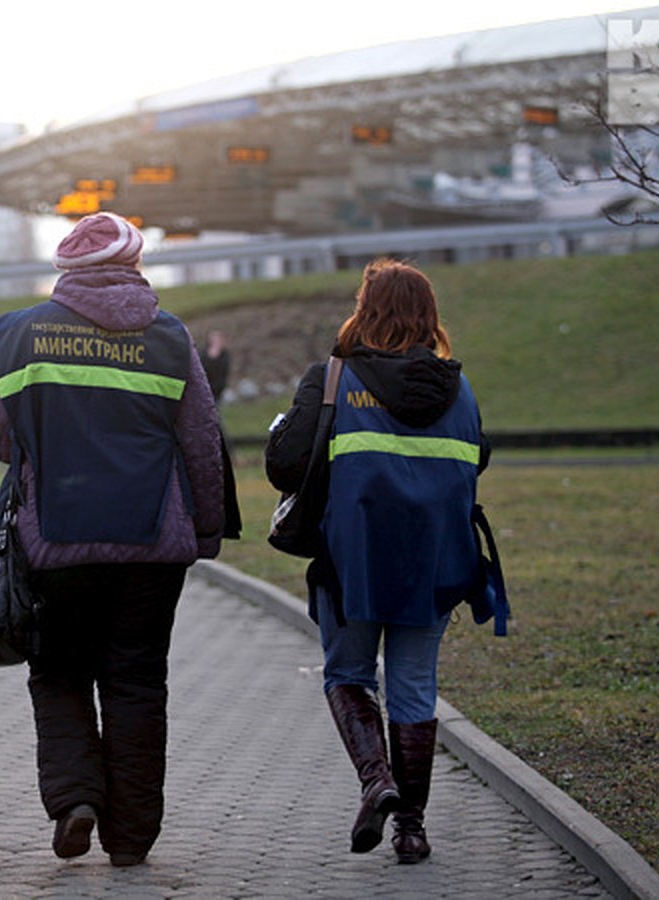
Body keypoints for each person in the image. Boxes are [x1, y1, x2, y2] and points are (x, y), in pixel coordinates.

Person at [0, 212, 228, 867]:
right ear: (134, 265)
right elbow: (201, 439)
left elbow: (2, 434)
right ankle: (133, 838)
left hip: (55, 541)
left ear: (67, 269)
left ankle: (75, 801)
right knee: (137, 683)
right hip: (152, 545)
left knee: (59, 672)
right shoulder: (169, 337)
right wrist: (203, 530)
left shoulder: (20, 335)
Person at [264, 258, 490, 864]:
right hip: (436, 565)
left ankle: (376, 780)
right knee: (415, 686)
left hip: (352, 562)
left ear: (366, 310)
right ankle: (411, 830)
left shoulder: (333, 378)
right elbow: (477, 459)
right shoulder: (459, 387)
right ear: (428, 316)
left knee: (349, 675)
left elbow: (284, 466)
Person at [199, 329, 230, 403]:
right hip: (204, 388)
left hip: (218, 389)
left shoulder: (225, 355)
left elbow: (224, 371)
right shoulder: (203, 354)